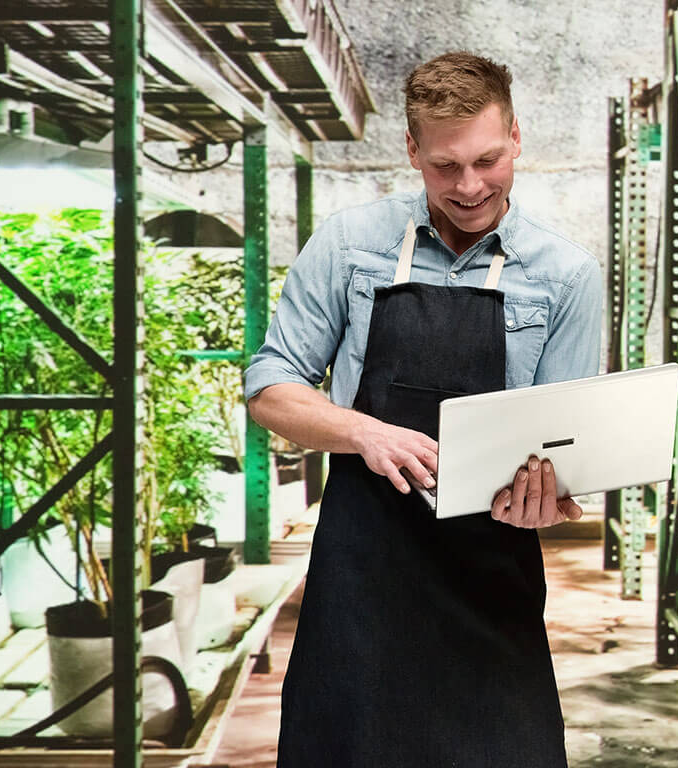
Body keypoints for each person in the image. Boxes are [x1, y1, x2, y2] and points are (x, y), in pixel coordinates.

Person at [244, 51, 602, 767]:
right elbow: (270, 387)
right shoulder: (350, 246)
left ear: (517, 138)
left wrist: (549, 497)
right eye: (445, 167)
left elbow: (567, 451)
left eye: (488, 160)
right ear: (412, 150)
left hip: (490, 573)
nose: (470, 186)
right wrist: (359, 429)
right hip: (364, 567)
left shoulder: (566, 276)